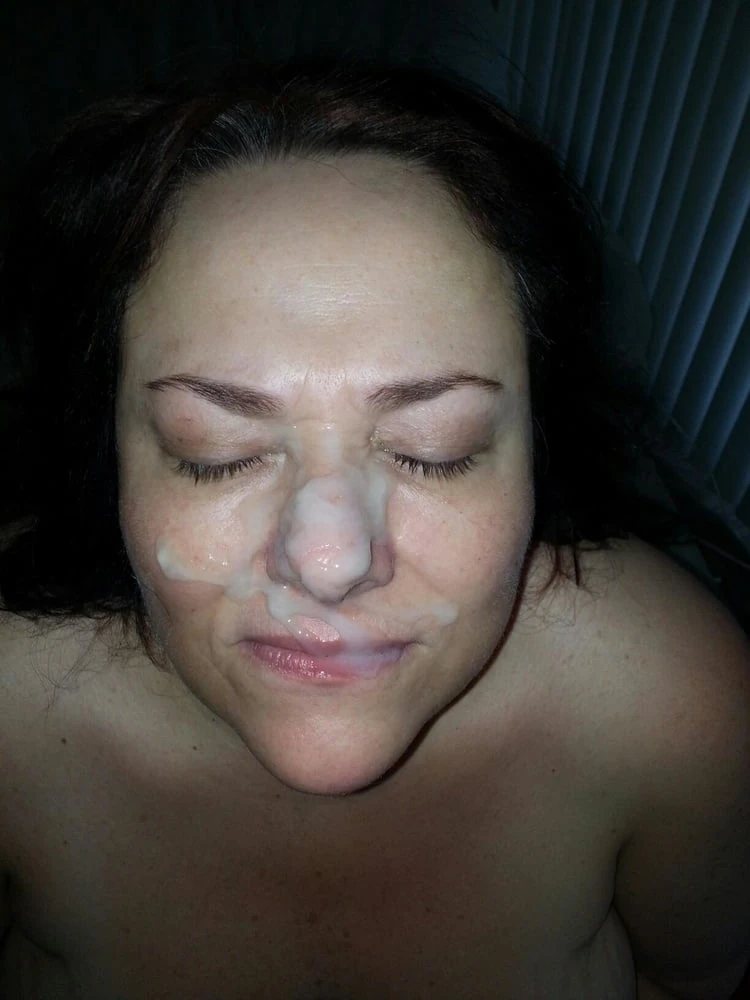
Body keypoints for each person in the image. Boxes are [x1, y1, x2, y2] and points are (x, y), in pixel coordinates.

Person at [0, 58, 748, 1000]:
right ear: (108, 444)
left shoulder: (675, 708)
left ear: (536, 440)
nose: (329, 563)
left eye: (436, 449)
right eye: (214, 450)